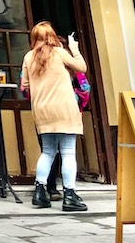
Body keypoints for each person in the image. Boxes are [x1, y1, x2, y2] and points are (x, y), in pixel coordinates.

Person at [21, 21, 88, 212]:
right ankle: (69, 195)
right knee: (67, 152)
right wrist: (74, 48)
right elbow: (81, 68)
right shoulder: (59, 53)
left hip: (42, 110)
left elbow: (24, 85)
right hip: (65, 109)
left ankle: (40, 192)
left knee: (48, 152)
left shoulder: (28, 57)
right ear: (51, 36)